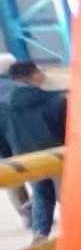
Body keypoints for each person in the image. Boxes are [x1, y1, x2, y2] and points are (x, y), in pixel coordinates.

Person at [3, 61, 68, 241]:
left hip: (27, 159)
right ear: (34, 75)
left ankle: (40, 234)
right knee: (68, 195)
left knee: (41, 193)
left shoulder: (4, 105)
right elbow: (67, 129)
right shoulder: (54, 100)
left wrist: (8, 158)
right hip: (55, 155)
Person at [0, 66, 32, 226]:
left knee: (12, 178)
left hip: (5, 142)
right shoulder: (16, 86)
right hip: (22, 138)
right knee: (42, 176)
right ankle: (35, 207)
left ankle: (27, 215)